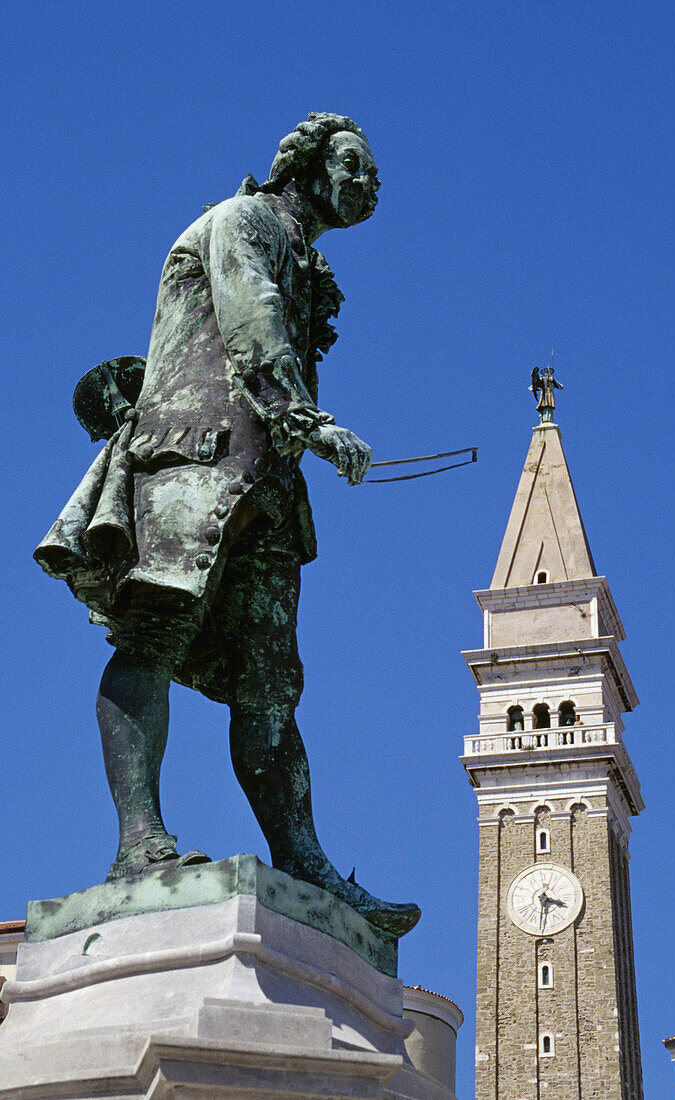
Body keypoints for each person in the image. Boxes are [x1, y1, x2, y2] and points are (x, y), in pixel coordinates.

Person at [35, 113, 419, 936]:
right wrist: (306, 418)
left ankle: (306, 863)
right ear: (306, 165)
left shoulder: (307, 256)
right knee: (154, 633)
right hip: (193, 457)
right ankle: (140, 846)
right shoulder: (239, 220)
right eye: (354, 166)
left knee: (272, 685)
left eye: (375, 176)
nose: (367, 185)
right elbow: (253, 318)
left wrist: (294, 432)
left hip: (265, 482)